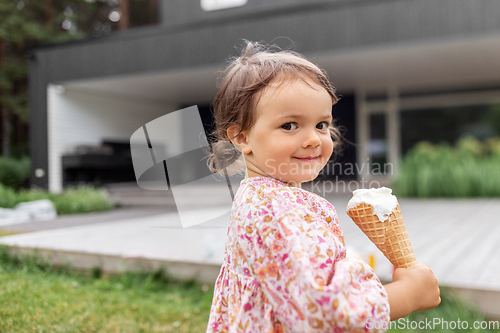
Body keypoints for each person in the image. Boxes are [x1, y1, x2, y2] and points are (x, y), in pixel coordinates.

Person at [205, 40, 440, 333]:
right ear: (242, 137)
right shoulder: (276, 209)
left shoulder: (258, 196)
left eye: (321, 125)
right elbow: (323, 313)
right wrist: (407, 296)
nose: (314, 139)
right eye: (290, 125)